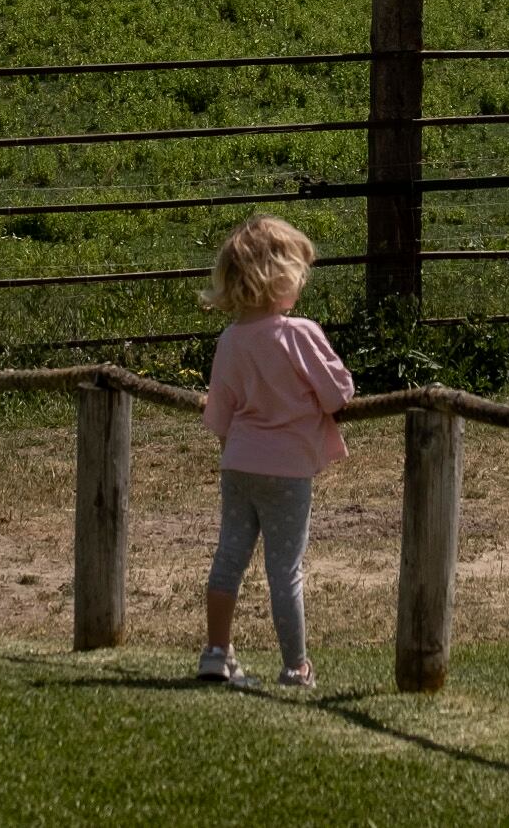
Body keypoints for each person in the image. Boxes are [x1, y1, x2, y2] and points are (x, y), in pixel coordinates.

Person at [195, 214, 355, 689]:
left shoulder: (230, 339)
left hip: (239, 462)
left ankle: (216, 652)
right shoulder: (298, 334)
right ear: (280, 278)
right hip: (287, 470)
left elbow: (219, 413)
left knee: (229, 557)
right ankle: (295, 665)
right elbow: (337, 394)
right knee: (285, 569)